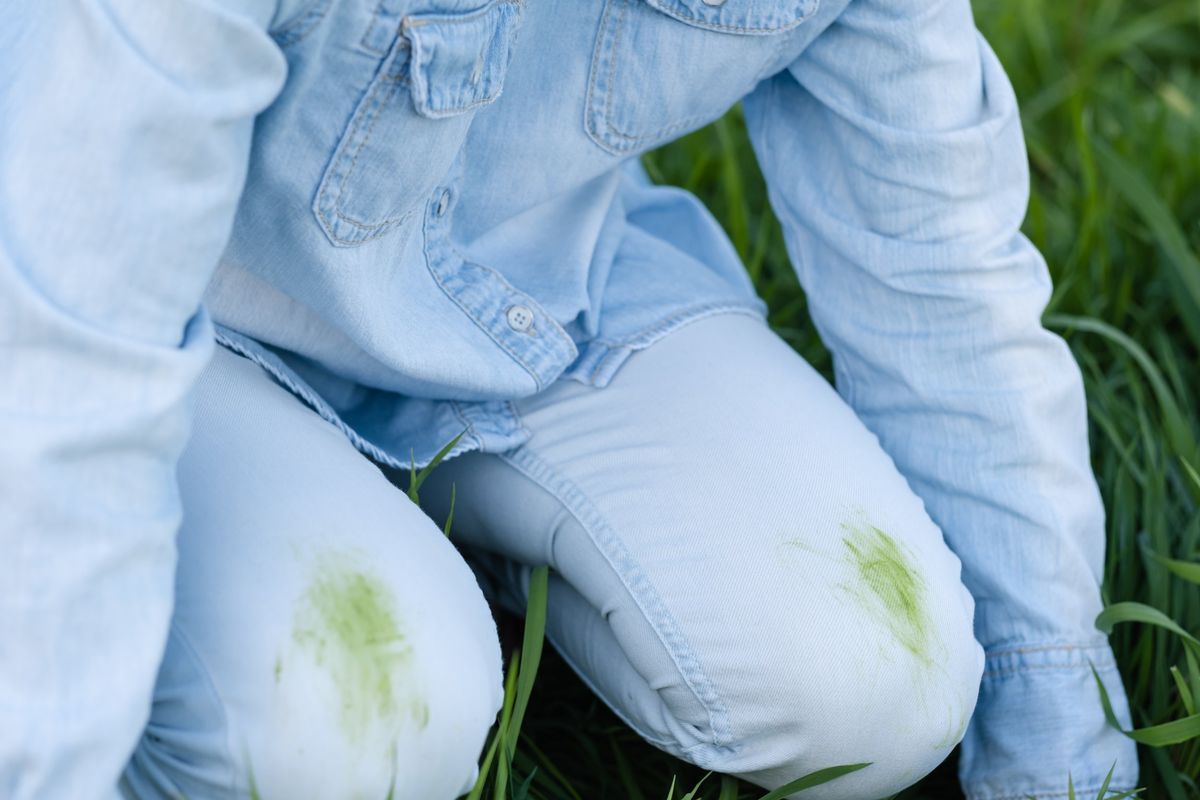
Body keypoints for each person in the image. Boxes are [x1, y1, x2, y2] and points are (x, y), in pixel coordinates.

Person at [0, 0, 1139, 798]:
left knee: (883, 680)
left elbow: (935, 266)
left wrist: (1059, 751)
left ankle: (471, 541)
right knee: (353, 726)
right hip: (172, 306)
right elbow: (78, 347)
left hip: (531, 281)